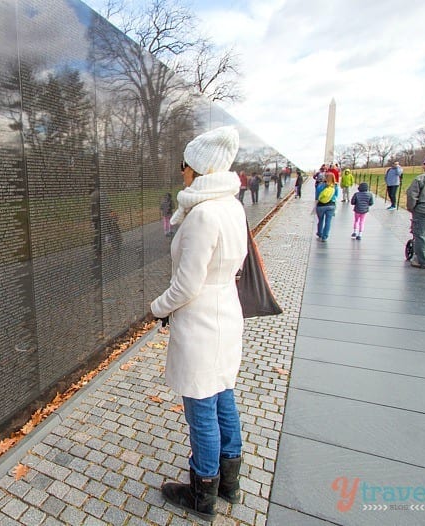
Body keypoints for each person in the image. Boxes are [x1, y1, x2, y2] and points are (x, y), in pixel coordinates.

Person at [151, 126, 247, 522]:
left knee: (202, 408)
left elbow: (187, 284)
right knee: (223, 395)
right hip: (225, 310)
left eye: (184, 166)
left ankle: (202, 492)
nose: (182, 173)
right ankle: (230, 484)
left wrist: (158, 306)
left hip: (201, 321)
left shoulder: (204, 214)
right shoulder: (231, 206)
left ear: (200, 169)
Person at [314, 172, 339, 241]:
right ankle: (325, 237)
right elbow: (336, 196)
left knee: (320, 220)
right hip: (331, 205)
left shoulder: (320, 186)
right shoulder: (335, 186)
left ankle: (319, 233)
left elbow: (316, 197)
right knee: (328, 221)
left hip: (320, 206)